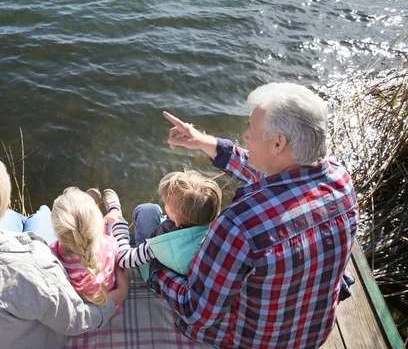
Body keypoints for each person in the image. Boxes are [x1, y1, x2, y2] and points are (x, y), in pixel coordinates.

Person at [146, 82, 359, 349]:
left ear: (278, 143)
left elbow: (196, 312)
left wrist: (154, 269)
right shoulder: (341, 180)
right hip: (312, 335)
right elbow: (268, 172)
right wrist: (204, 142)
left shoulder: (240, 224)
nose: (245, 136)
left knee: (151, 238)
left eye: (252, 129)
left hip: (254, 342)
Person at [0, 150, 129, 349]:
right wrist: (116, 298)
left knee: (34, 219)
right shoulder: (33, 266)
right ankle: (56, 209)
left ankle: (40, 214)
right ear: (7, 204)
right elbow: (76, 321)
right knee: (43, 214)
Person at [105, 170, 222, 281]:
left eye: (167, 205)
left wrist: (119, 223)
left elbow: (124, 259)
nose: (164, 206)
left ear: (176, 221)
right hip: (180, 257)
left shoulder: (160, 245)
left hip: (156, 271)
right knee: (152, 210)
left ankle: (115, 209)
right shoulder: (217, 226)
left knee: (146, 210)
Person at [49, 187, 120, 306]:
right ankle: (112, 209)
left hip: (81, 306)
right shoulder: (109, 245)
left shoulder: (51, 255)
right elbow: (112, 244)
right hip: (108, 303)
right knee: (112, 222)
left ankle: (88, 204)